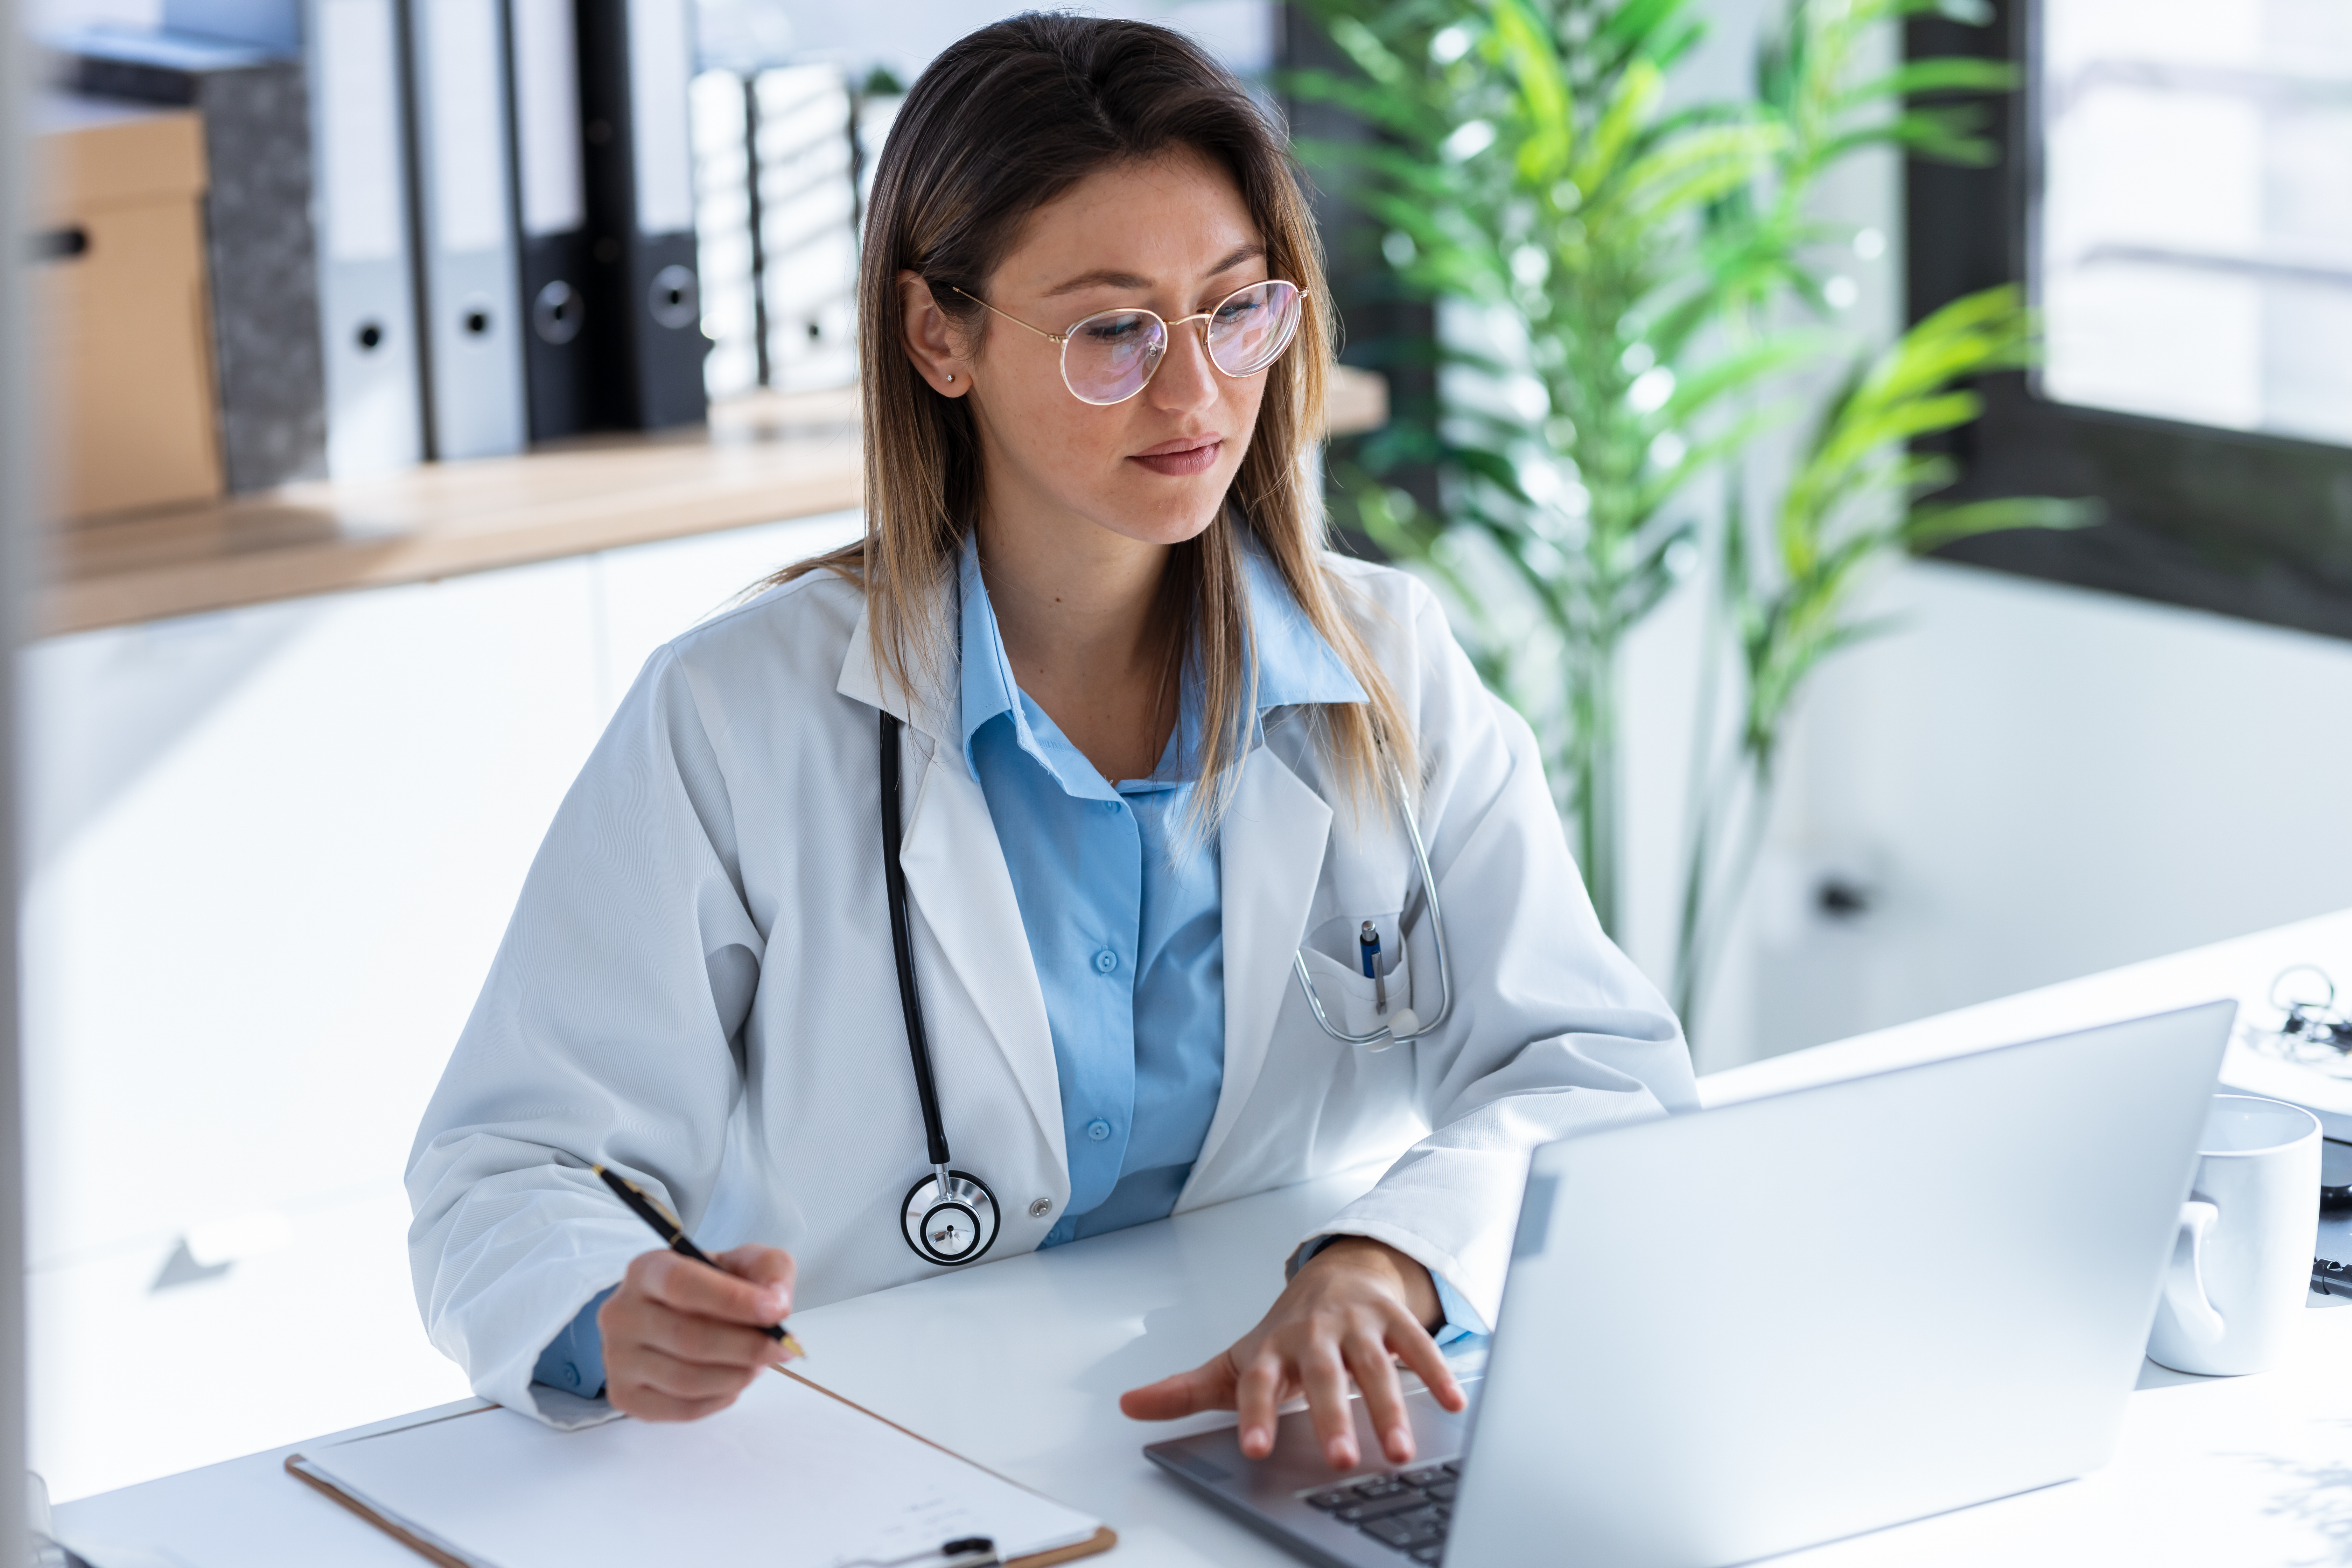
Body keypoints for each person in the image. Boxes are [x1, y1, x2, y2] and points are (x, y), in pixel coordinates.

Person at [406, 12, 1694, 1475]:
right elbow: (500, 1169)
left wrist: (1386, 1259)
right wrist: (603, 1309)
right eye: (1111, 330)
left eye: (1234, 309)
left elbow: (1597, 1069)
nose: (1196, 389)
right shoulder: (734, 716)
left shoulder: (1387, 666)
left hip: (1281, 1437)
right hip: (897, 1465)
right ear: (936, 335)